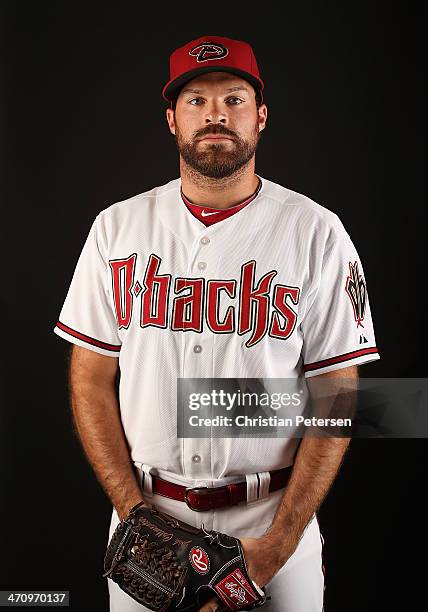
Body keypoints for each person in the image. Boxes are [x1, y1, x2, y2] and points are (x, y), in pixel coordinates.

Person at [53, 35, 380, 611]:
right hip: (145, 518)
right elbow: (89, 378)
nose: (215, 115)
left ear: (260, 116)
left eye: (233, 99)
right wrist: (133, 514)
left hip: (272, 521)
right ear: (172, 120)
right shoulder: (116, 229)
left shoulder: (317, 232)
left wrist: (276, 546)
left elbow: (339, 395)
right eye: (196, 101)